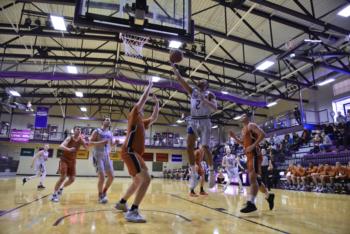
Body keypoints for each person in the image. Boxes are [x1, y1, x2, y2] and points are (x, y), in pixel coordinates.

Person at [114, 80, 159, 223]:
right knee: (146, 179)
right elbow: (142, 101)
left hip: (135, 154)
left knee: (137, 181)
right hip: (130, 151)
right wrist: (149, 87)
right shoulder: (133, 115)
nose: (142, 109)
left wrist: (157, 104)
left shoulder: (141, 121)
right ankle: (133, 211)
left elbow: (154, 118)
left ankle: (122, 203)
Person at [171, 63, 218, 189]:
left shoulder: (210, 94)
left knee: (205, 147)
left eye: (203, 81)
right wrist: (174, 68)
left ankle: (213, 173)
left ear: (206, 85)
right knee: (188, 147)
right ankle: (193, 174)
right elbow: (181, 80)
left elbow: (215, 108)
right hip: (194, 120)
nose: (200, 81)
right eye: (199, 81)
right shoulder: (193, 92)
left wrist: (205, 101)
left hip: (205, 121)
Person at [229, 114, 274, 213]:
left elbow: (262, 134)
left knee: (252, 178)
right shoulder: (243, 130)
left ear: (247, 118)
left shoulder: (251, 125)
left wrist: (253, 145)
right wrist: (234, 137)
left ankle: (251, 203)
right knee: (256, 180)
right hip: (249, 156)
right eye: (241, 116)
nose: (241, 117)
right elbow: (243, 143)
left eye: (244, 115)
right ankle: (268, 196)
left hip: (254, 154)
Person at [51, 127, 88, 202]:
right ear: (74, 131)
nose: (79, 130)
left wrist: (87, 141)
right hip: (64, 159)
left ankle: (61, 188)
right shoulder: (69, 138)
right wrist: (69, 149)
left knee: (72, 179)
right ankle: (54, 194)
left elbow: (87, 148)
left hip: (73, 161)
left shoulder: (81, 140)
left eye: (80, 129)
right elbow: (60, 146)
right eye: (77, 129)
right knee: (63, 177)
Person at [89, 117, 118, 204]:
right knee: (101, 177)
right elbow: (90, 143)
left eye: (110, 120)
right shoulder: (97, 131)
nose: (108, 121)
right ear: (103, 122)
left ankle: (104, 191)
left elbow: (111, 144)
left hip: (107, 155)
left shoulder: (110, 133)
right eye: (107, 119)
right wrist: (100, 143)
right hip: (97, 155)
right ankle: (100, 195)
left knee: (112, 176)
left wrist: (115, 143)